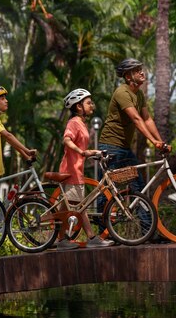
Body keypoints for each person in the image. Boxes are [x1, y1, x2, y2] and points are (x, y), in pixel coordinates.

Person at [56, 88, 115, 250]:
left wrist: (96, 153)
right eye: (88, 103)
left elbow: (83, 148)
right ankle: (92, 238)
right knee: (81, 207)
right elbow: (67, 140)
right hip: (70, 171)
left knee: (67, 209)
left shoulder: (82, 123)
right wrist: (81, 152)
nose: (92, 106)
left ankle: (60, 240)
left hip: (76, 170)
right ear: (78, 106)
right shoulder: (74, 122)